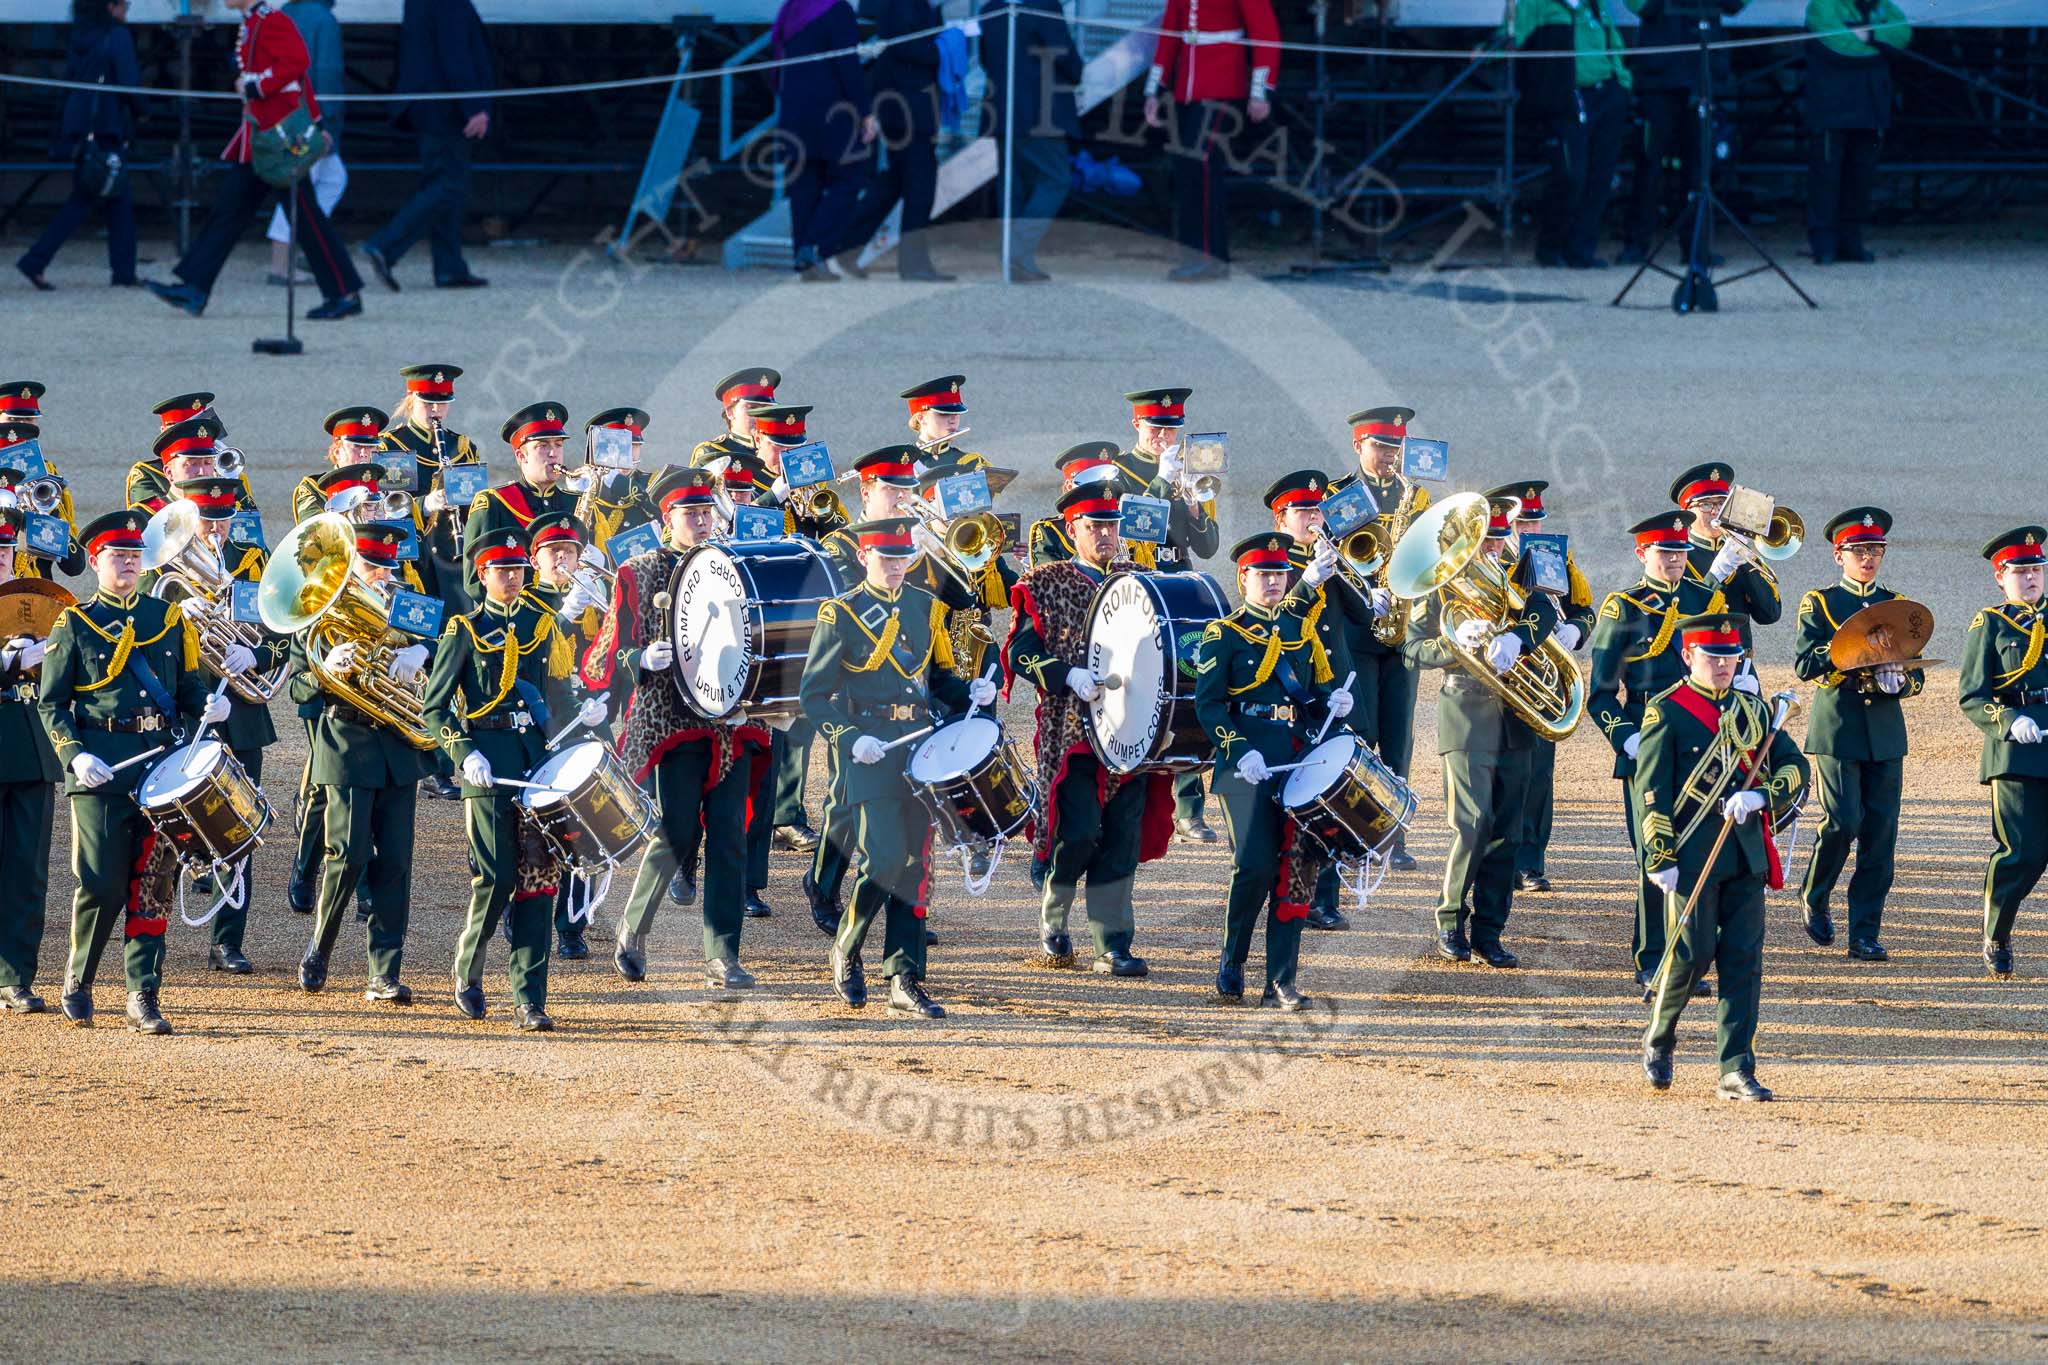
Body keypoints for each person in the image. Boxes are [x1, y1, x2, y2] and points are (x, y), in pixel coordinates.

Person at [42, 511, 230, 1033]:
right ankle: (79, 978)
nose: (125, 563)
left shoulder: (167, 619)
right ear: (96, 563)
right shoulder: (74, 623)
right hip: (101, 769)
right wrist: (74, 755)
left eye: (132, 556)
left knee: (155, 882)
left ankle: (143, 993)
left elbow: (188, 689)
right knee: (100, 885)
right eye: (115, 556)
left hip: (160, 768)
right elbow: (52, 704)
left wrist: (211, 707)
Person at [584, 469, 770, 988]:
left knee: (730, 838)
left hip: (731, 723)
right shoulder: (638, 572)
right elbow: (602, 655)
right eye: (691, 514)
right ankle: (633, 929)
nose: (703, 522)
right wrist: (639, 656)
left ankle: (722, 955)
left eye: (707, 512)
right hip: (673, 722)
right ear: (668, 519)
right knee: (674, 831)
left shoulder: (736, 567)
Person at [799, 516, 980, 1018]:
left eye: (903, 558)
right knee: (882, 860)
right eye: (886, 558)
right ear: (864, 557)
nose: (896, 566)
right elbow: (815, 698)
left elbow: (939, 680)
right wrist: (850, 739)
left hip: (919, 751)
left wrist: (973, 694)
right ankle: (846, 946)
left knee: (916, 867)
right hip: (868, 752)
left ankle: (904, 976)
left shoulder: (926, 607)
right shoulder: (842, 614)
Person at [429, 529, 600, 1029]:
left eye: (518, 570)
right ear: (481, 575)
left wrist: (583, 715)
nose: (512, 578)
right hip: (487, 761)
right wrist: (463, 753)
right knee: (497, 877)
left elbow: (559, 698)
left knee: (538, 882)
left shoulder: (543, 624)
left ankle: (530, 999)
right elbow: (435, 707)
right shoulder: (464, 627)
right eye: (501, 570)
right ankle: (469, 972)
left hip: (538, 764)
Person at [1004, 484, 1175, 975]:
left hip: (1133, 728)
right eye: (1093, 526)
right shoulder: (1044, 582)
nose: (1105, 534)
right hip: (1073, 730)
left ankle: (1112, 943)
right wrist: (1065, 675)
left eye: (1111, 525)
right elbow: (1021, 652)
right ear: (1070, 529)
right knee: (1077, 833)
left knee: (1121, 839)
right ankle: (1054, 921)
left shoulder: (1142, 580)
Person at [1637, 612, 1808, 1101]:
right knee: (1690, 957)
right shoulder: (1666, 711)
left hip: (1744, 853)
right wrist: (1660, 855)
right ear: (1689, 656)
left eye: (1731, 658)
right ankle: (1660, 1035)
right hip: (1690, 854)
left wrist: (1763, 796)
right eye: (1713, 658)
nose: (1723, 667)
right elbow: (1651, 790)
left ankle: (1736, 1066)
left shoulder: (1754, 710)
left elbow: (1794, 765)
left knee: (1743, 961)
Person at [1194, 533, 1350, 1008]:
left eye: (1280, 574)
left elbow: (1312, 698)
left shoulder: (1302, 633)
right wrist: (1239, 749)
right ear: (1244, 579)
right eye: (1264, 575)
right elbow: (1209, 706)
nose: (1274, 583)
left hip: (1294, 761)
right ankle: (1233, 959)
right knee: (1256, 865)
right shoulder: (1225, 633)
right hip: (1244, 764)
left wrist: (1335, 704)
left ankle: (1281, 979)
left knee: (1299, 864)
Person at [1402, 496, 1557, 968]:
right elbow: (1412, 651)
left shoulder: (1517, 575)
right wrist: (1453, 643)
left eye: (1495, 538)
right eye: (1484, 539)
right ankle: (1450, 919)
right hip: (1466, 710)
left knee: (1508, 831)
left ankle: (1490, 930)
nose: (1491, 548)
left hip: (1516, 713)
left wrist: (1518, 637)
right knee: (1472, 825)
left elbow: (1546, 612)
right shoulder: (1438, 585)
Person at [148, 476, 287, 976]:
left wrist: (257, 653)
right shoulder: (162, 571)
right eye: (207, 521)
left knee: (240, 827)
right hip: (187, 713)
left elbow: (283, 636)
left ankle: (226, 941)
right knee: (168, 831)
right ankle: (152, 937)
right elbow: (139, 638)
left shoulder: (253, 565)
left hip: (243, 715)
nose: (217, 531)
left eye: (224, 519)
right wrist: (171, 612)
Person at [147, 0, 363, 320]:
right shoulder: (254, 21)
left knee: (305, 217)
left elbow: (297, 63)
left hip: (277, 140)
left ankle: (344, 292)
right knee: (229, 212)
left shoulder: (271, 21)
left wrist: (255, 86)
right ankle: (194, 286)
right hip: (261, 137)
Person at [293, 522, 434, 1005]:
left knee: (395, 864)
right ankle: (320, 949)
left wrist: (422, 651)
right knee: (348, 855)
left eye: (387, 568)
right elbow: (297, 685)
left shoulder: (409, 600)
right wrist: (324, 670)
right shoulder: (318, 607)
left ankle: (384, 972)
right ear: (352, 565)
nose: (381, 577)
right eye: (372, 567)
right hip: (347, 742)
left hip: (398, 747)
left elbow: (444, 647)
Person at [1588, 511, 1720, 998]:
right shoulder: (1623, 608)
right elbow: (1599, 694)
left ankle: (1689, 956)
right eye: (1666, 553)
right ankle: (1653, 959)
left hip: (1706, 741)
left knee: (1702, 850)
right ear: (1642, 554)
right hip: (1648, 742)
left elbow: (1732, 669)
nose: (1676, 561)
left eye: (1682, 553)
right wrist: (1625, 737)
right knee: (1655, 852)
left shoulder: (1707, 601)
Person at [1792, 508, 1922, 962]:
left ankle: (1864, 931)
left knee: (1881, 836)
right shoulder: (1821, 603)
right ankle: (1815, 892)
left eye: (1875, 550)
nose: (1868, 558)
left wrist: (1900, 680)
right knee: (1842, 821)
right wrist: (1848, 650)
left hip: (1885, 732)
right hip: (1840, 726)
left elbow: (1916, 672)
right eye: (1859, 550)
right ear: (1838, 555)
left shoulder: (1896, 602)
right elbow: (1806, 665)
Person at [1117, 387, 1221, 843]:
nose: (1164, 437)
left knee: (1191, 681)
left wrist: (1194, 501)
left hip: (1179, 585)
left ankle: (1190, 806)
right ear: (1137, 425)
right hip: (1139, 584)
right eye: (1156, 428)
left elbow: (1208, 546)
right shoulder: (1118, 472)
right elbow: (1138, 526)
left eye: (1170, 429)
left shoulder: (1195, 469)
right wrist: (1161, 481)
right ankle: (1139, 794)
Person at [1267, 469, 1369, 931]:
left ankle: (1325, 897)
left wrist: (1356, 577)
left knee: (1335, 796)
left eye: (1316, 509)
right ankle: (1290, 895)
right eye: (1303, 511)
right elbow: (1271, 623)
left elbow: (1361, 614)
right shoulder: (1270, 562)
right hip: (1295, 690)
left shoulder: (1329, 556)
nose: (1313, 518)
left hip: (1336, 691)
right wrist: (1306, 579)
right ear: (1281, 518)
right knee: (1297, 800)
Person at [1330, 406, 1428, 871]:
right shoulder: (1337, 495)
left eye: (1394, 447)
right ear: (1358, 445)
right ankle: (1357, 831)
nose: (1389, 456)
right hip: (1357, 629)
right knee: (1362, 732)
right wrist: (1368, 593)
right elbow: (1329, 558)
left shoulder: (1417, 497)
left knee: (1399, 736)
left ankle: (1394, 834)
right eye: (1380, 446)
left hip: (1404, 629)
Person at [1493, 480, 1594, 893]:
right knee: (1504, 773)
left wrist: (1575, 629)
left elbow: (1584, 607)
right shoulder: (1492, 560)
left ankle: (1531, 860)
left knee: (1539, 773)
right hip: (1502, 672)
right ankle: (1502, 856)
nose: (1530, 532)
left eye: (1535, 523)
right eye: (1522, 525)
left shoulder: (1555, 555)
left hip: (1545, 674)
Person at [1957, 525, 2048, 980]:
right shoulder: (1990, 624)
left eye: (2036, 568)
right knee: (2024, 852)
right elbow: (1972, 694)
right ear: (2000, 577)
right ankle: (1998, 929)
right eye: (2020, 571)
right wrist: (2012, 721)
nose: (2030, 577)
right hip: (2017, 752)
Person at [1140, 0, 1281, 281]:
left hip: (1222, 81)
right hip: (1188, 88)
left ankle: (1206, 258)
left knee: (1199, 163)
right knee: (1189, 169)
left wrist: (1259, 90)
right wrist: (1153, 89)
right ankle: (1205, 256)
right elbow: (1170, 33)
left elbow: (1266, 32)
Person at [521, 511, 608, 960]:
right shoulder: (524, 598)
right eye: (553, 552)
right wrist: (560, 614)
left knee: (584, 830)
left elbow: (619, 651)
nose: (562, 560)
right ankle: (529, 917)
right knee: (536, 834)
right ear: (534, 560)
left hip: (585, 722)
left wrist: (606, 695)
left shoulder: (596, 598)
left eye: (570, 552)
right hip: (540, 727)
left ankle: (572, 926)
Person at [361, 0, 494, 290]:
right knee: (448, 185)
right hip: (444, 107)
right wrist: (474, 106)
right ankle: (386, 245)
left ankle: (449, 266)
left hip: (429, 104)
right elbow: (455, 53)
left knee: (443, 183)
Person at [16, 0, 141, 291]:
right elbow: (128, 81)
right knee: (87, 199)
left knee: (115, 197)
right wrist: (143, 109)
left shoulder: (81, 35)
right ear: (111, 6)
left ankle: (124, 271)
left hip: (83, 127)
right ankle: (35, 260)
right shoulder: (117, 35)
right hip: (107, 126)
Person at [1620, 0, 1747, 264]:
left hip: (1702, 74)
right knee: (1648, 165)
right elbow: (1638, 5)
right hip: (1658, 78)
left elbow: (1737, 5)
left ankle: (1695, 247)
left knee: (1698, 169)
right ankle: (1636, 244)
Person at [834, 0, 953, 282]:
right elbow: (908, 48)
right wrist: (946, 48)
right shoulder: (903, 6)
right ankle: (913, 264)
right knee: (920, 187)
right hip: (909, 108)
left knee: (893, 184)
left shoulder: (907, 6)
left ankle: (846, 247)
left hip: (903, 108)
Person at [1514, 0, 1632, 268]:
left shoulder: (1596, 3)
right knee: (1570, 175)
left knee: (1600, 176)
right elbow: (1513, 37)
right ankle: (1550, 247)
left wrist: (1621, 81)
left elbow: (1612, 40)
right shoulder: (1535, 4)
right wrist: (1486, 51)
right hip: (1567, 99)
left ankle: (1581, 251)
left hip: (1607, 95)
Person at [0, 509, 61, 1012]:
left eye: (4, 552)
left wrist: (50, 659)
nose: (0, 561)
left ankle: (15, 975)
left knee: (26, 872)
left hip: (32, 748)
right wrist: (8, 663)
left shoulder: (33, 603)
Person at [979, 0, 1082, 282]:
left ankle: (1017, 259)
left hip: (1002, 108)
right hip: (1039, 110)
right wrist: (1077, 71)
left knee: (1012, 184)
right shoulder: (1043, 4)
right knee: (1056, 178)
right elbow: (1063, 53)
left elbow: (985, 59)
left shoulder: (990, 8)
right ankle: (1017, 250)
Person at [772, 0, 875, 281]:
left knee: (804, 184)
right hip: (832, 110)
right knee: (850, 178)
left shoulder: (792, 9)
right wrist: (865, 112)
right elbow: (848, 65)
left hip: (795, 108)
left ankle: (804, 261)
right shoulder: (837, 9)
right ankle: (815, 246)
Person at [1803, 0, 1909, 264]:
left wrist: (1869, 35)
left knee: (1860, 177)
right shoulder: (1822, 5)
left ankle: (1851, 242)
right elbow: (1838, 47)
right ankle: (1823, 244)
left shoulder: (1882, 5)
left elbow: (1903, 33)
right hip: (1831, 109)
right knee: (1826, 177)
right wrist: (1881, 46)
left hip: (1871, 108)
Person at [377, 362, 483, 620]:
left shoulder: (463, 447)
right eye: (428, 402)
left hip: (453, 558)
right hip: (413, 558)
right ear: (412, 400)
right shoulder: (392, 445)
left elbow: (475, 505)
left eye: (443, 403)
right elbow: (385, 508)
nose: (436, 410)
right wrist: (424, 504)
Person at [1669, 463, 1785, 672]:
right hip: (1694, 668)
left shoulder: (1736, 552)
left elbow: (1770, 614)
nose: (1714, 512)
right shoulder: (1676, 557)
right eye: (1705, 505)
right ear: (1686, 511)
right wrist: (1716, 574)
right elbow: (1682, 615)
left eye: (1721, 504)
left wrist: (1744, 557)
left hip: (1741, 667)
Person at [265, 0, 347, 286]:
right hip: (308, 119)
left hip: (283, 110)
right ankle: (281, 261)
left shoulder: (285, 12)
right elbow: (328, 75)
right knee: (300, 188)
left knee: (333, 178)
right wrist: (327, 123)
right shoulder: (324, 21)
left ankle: (302, 245)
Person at [462, 402, 577, 585]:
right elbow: (475, 581)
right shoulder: (494, 504)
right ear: (521, 456)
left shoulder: (576, 502)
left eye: (558, 444)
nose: (554, 453)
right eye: (543, 446)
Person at [573, 408, 658, 556]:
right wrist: (574, 494)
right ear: (600, 449)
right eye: (619, 447)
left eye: (633, 446)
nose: (627, 454)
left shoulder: (653, 482)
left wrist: (618, 483)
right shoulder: (588, 487)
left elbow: (665, 517)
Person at [691, 368, 780, 468]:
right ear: (730, 412)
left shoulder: (782, 449)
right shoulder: (713, 453)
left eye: (767, 408)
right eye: (752, 408)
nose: (761, 415)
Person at [900, 375, 990, 472]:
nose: (953, 420)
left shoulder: (973, 464)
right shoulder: (901, 464)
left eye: (956, 413)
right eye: (944, 414)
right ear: (921, 418)